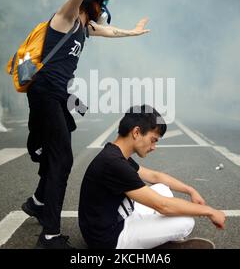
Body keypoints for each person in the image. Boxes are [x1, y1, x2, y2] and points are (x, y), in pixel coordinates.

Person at [21, 0, 151, 249]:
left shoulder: (84, 25)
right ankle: (50, 236)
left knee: (58, 149)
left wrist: (133, 32)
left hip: (59, 94)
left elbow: (110, 30)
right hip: (46, 93)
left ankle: (39, 201)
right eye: (101, 1)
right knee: (62, 159)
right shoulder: (66, 15)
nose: (103, 7)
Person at [78, 105, 226, 249]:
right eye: (153, 139)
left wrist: (190, 190)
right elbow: (163, 206)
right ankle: (159, 243)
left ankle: (154, 239)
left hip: (116, 217)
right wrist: (210, 211)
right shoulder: (114, 164)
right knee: (186, 222)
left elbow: (155, 176)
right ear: (136, 132)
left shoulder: (115, 153)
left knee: (162, 188)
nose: (154, 147)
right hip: (109, 239)